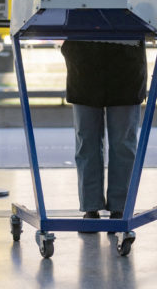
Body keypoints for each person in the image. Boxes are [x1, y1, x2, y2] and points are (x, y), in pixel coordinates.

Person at [60, 38, 147, 224]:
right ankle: (102, 207)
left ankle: (115, 207)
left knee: (110, 143)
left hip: (117, 62)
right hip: (91, 60)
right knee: (92, 142)